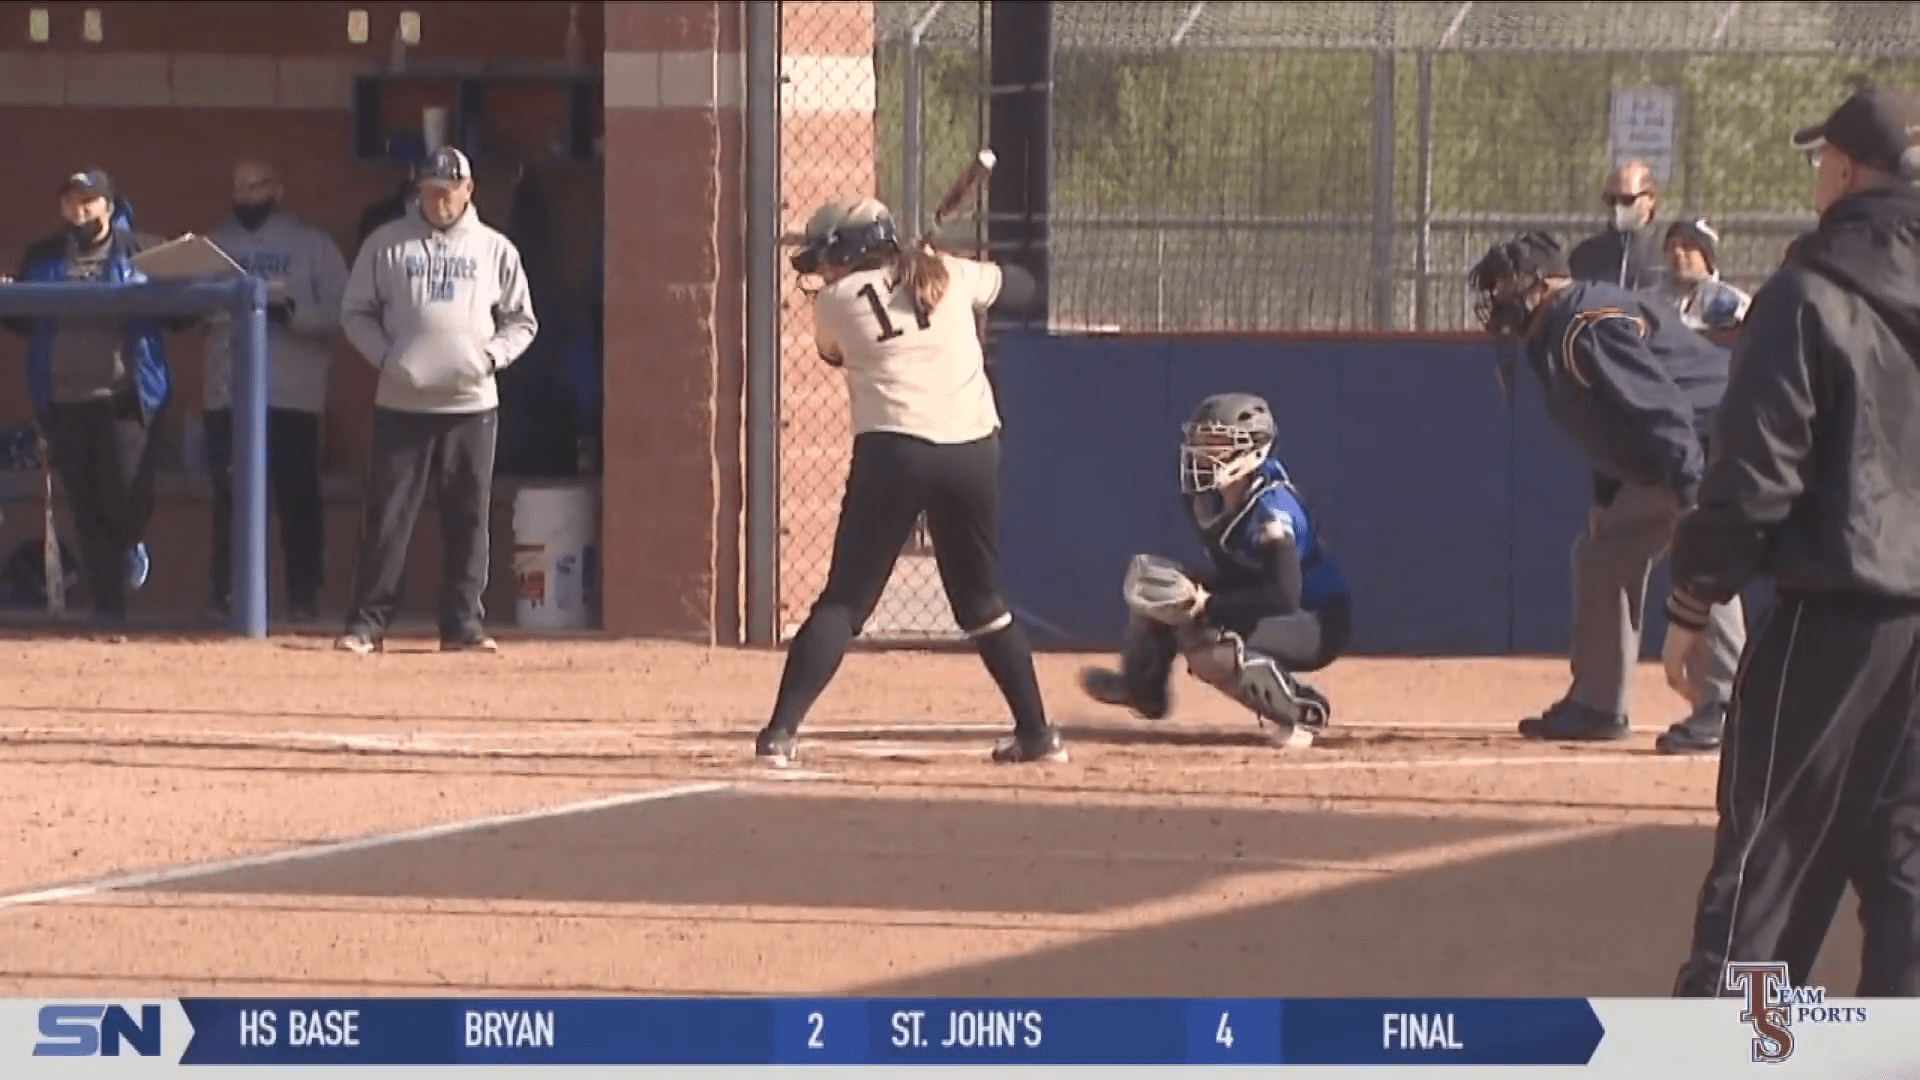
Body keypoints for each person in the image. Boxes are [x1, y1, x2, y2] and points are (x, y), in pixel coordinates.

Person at [1664, 85, 1920, 998]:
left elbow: (1753, 479)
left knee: (1767, 857)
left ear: (1847, 172)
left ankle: (1724, 1054)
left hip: (1834, 612)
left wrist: (1694, 599)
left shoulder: (1807, 293)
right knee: (1904, 863)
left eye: (1823, 161)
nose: (1818, 173)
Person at [753, 196, 1059, 767]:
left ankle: (780, 734)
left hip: (894, 453)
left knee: (845, 601)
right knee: (981, 603)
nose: (825, 273)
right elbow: (1023, 286)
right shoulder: (950, 275)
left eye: (830, 259)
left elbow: (835, 353)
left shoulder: (837, 305)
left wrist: (925, 268)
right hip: (971, 452)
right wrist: (948, 266)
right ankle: (1038, 734)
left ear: (851, 252)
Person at [1467, 229, 1743, 753]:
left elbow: (1663, 411)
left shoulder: (1585, 323)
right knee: (1602, 553)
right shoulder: (1552, 333)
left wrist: (1693, 498)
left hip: (1715, 437)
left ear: (1542, 284)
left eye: (1507, 286)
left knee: (1704, 550)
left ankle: (1727, 703)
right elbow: (1606, 428)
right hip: (1671, 450)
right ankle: (1598, 703)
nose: (1498, 300)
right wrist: (1608, 498)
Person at [334, 146, 537, 654]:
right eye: (429, 193)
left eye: (448, 192)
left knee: (468, 515)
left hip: (472, 407)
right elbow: (355, 312)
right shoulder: (386, 245)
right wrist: (386, 358)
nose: (439, 202)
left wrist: (489, 359)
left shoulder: (496, 250)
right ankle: (367, 624)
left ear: (469, 191)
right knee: (387, 517)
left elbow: (522, 321)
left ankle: (463, 624)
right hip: (402, 404)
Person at [1078, 393, 1352, 747]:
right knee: (1158, 586)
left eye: (1218, 443)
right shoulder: (1212, 495)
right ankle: (1143, 690)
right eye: (1201, 441)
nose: (1203, 453)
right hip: (1262, 595)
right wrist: (1197, 596)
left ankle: (1301, 709)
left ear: (1252, 450)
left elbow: (1283, 595)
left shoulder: (1273, 511)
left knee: (1208, 647)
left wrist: (1208, 604)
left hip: (1314, 619)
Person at [2, 170, 181, 629]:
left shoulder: (144, 249)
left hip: (126, 397)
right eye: (70, 201)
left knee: (127, 497)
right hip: (64, 399)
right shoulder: (43, 256)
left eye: (88, 201)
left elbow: (182, 314)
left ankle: (130, 544)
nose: (78, 210)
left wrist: (189, 274)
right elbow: (26, 324)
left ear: (107, 204)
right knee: (86, 507)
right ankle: (108, 611)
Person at [201, 156, 350, 623]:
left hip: (292, 395)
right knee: (230, 501)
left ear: (279, 188)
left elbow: (347, 312)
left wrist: (296, 313)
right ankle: (226, 596)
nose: (248, 196)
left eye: (258, 185)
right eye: (240, 188)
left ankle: (304, 596)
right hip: (229, 394)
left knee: (298, 499)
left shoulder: (313, 245)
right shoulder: (212, 246)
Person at [1569, 159, 1669, 293]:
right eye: (1610, 199)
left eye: (1627, 200)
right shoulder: (1585, 254)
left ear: (1651, 199)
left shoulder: (1668, 253)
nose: (1617, 207)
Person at [1660, 218, 1752, 331]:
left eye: (1687, 246)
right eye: (1671, 247)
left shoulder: (1734, 302)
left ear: (1707, 257)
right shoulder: (1651, 301)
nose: (1677, 253)